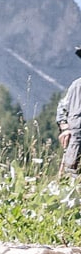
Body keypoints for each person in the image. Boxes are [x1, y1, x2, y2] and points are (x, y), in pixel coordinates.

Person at [58, 48, 81, 177]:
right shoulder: (76, 86)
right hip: (75, 147)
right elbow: (62, 107)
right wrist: (64, 126)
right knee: (69, 185)